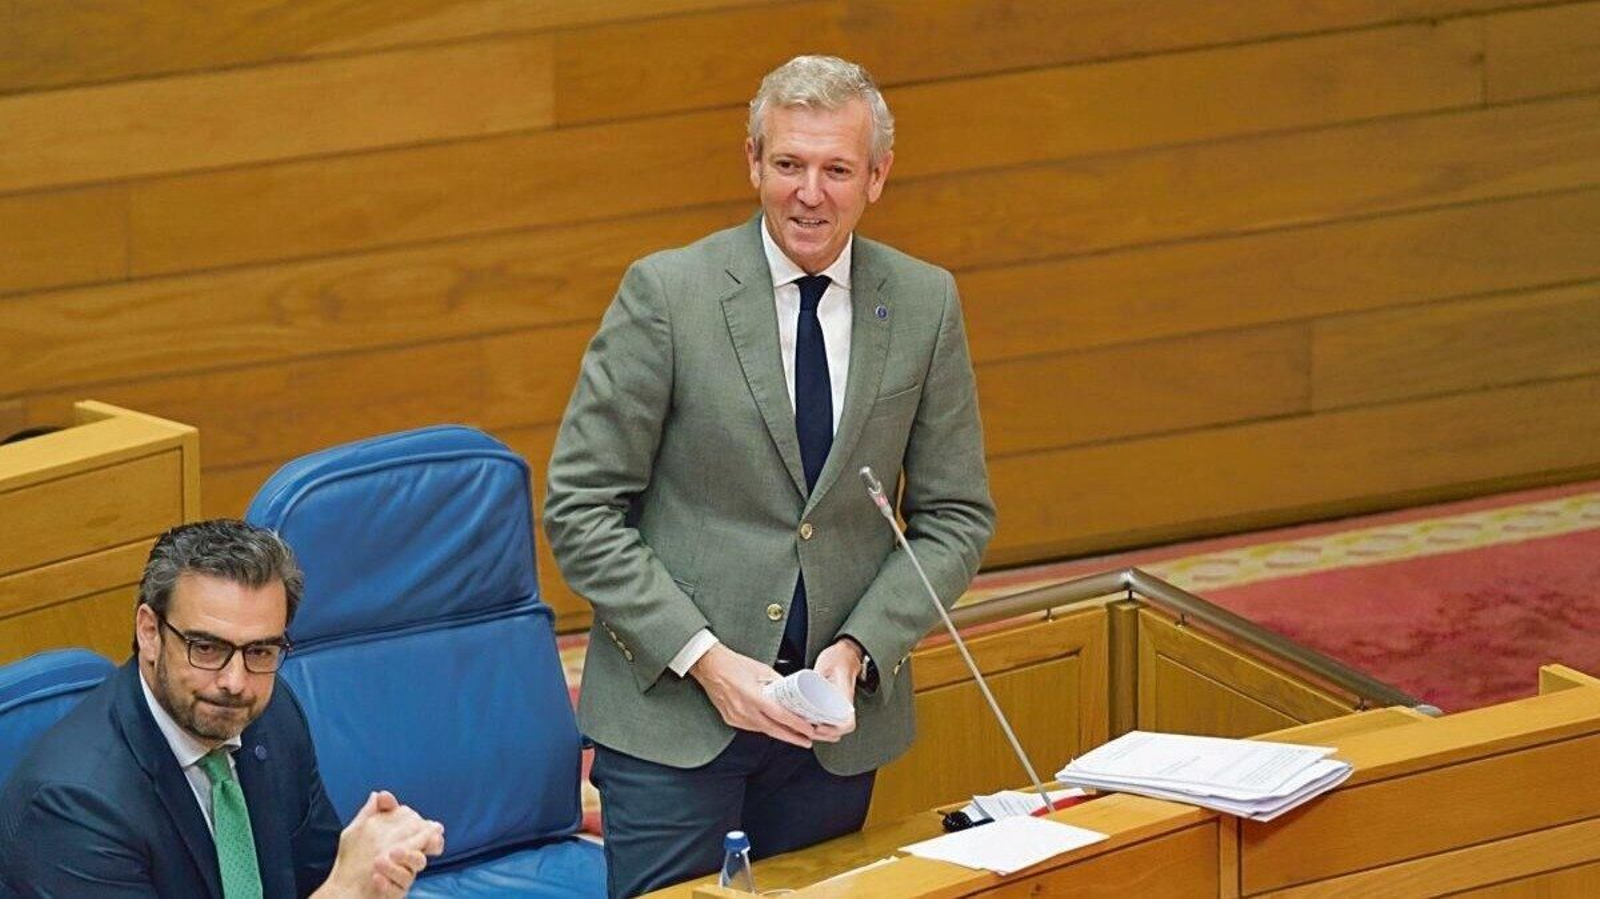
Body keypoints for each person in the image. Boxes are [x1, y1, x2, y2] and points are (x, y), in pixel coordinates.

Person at [545, 54, 996, 897]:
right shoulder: (668, 294)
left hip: (831, 733)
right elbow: (580, 507)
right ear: (753, 163)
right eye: (788, 164)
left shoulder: (927, 302)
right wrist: (707, 658)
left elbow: (955, 515)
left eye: (837, 169)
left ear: (878, 177)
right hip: (674, 721)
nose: (810, 193)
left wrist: (860, 649)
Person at [0, 519, 446, 898]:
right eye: (207, 647)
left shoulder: (271, 714)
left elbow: (317, 875)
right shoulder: (74, 808)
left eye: (261, 651)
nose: (235, 683)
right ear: (150, 632)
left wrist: (373, 866)